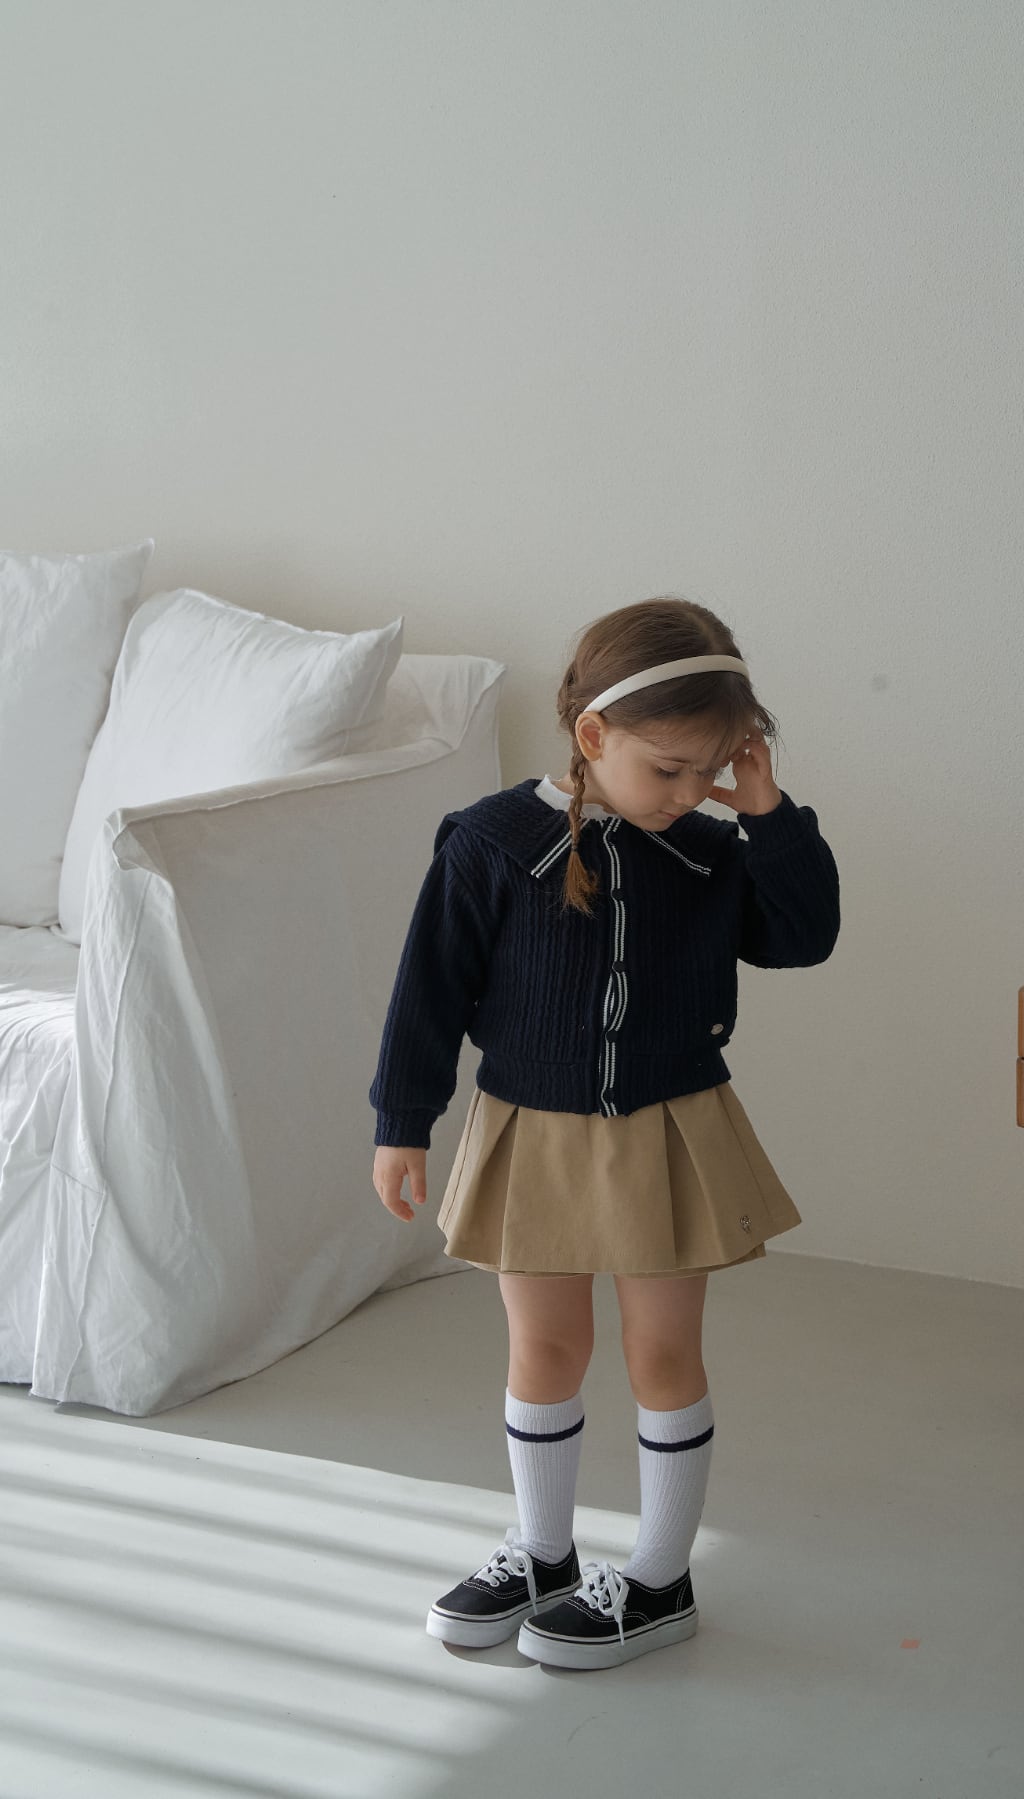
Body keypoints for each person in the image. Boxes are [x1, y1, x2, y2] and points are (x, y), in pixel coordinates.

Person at [369, 595, 840, 1671]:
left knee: (661, 1351)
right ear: (592, 734)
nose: (689, 793)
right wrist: (403, 1121)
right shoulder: (492, 843)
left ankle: (662, 1577)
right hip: (530, 1127)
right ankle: (543, 1553)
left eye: (710, 771)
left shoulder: (710, 852)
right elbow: (428, 989)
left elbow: (805, 935)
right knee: (543, 1348)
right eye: (669, 768)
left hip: (667, 1128)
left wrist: (768, 813)